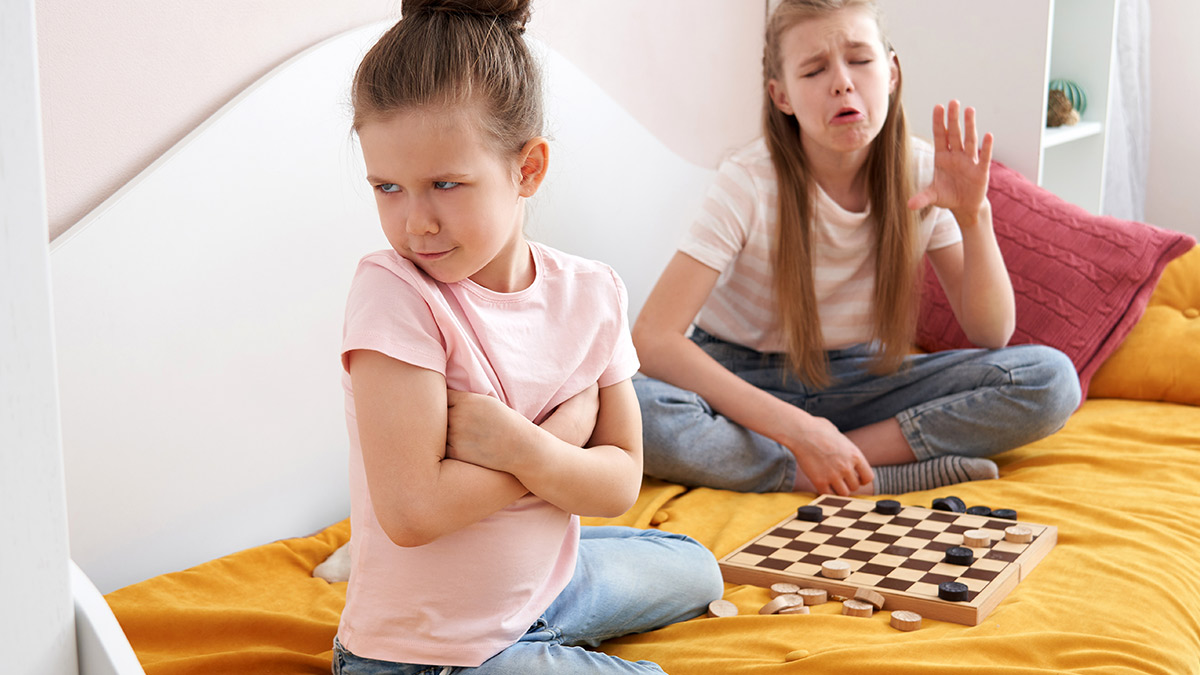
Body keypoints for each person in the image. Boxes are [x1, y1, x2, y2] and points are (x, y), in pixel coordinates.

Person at [332, 1, 723, 673]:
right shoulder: (395, 292)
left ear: (528, 169)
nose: (415, 222)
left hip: (548, 590)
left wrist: (520, 445)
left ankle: (541, 620)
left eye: (445, 184)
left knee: (699, 569)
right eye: (388, 187)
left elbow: (618, 484)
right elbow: (414, 512)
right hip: (433, 655)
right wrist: (561, 437)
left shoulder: (593, 292)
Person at [632, 0, 1081, 497]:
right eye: (814, 70)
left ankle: (835, 464)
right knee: (631, 408)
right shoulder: (748, 182)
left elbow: (991, 331)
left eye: (860, 60)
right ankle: (853, 474)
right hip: (741, 376)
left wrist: (974, 217)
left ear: (891, 72)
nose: (842, 83)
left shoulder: (923, 173)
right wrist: (800, 431)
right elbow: (652, 338)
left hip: (861, 380)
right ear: (781, 96)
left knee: (1050, 381)